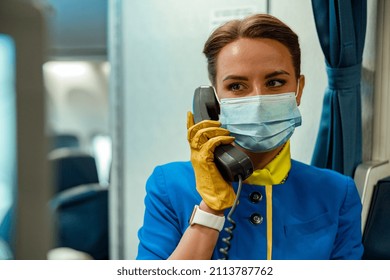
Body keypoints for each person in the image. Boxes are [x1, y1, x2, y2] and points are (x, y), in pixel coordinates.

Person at [136, 14, 363, 260]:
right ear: (213, 101)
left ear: (299, 90)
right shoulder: (169, 186)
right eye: (236, 86)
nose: (258, 100)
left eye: (275, 82)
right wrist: (210, 209)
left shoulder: (337, 193)